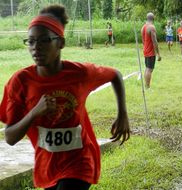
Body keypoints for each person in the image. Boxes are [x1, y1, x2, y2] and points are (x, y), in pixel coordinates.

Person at [0, 4, 130, 190]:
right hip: (48, 165)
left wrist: (122, 115)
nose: (36, 48)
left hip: (80, 161)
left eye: (44, 40)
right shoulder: (20, 82)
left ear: (60, 43)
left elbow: (115, 74)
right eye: (31, 41)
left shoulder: (80, 73)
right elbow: (10, 137)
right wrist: (34, 113)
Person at [141, 12, 161, 89]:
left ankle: (146, 86)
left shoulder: (143, 27)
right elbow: (154, 41)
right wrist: (158, 54)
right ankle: (147, 87)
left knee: (147, 68)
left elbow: (143, 41)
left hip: (145, 50)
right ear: (153, 18)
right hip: (150, 52)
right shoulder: (151, 27)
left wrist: (146, 48)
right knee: (150, 69)